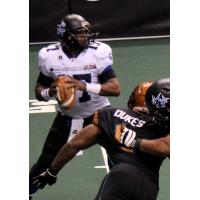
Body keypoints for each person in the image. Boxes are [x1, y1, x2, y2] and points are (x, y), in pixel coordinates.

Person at [29, 14, 121, 198]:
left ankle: (121, 193)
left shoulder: (98, 52)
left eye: (86, 32)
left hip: (101, 113)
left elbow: (115, 88)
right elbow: (39, 90)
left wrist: (84, 85)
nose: (86, 36)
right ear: (67, 36)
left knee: (121, 159)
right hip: (69, 116)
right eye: (81, 33)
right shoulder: (49, 56)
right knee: (46, 161)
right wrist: (50, 92)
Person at [32, 78, 170, 200]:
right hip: (149, 189)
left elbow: (74, 144)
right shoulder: (165, 128)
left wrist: (52, 171)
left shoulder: (111, 115)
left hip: (121, 177)